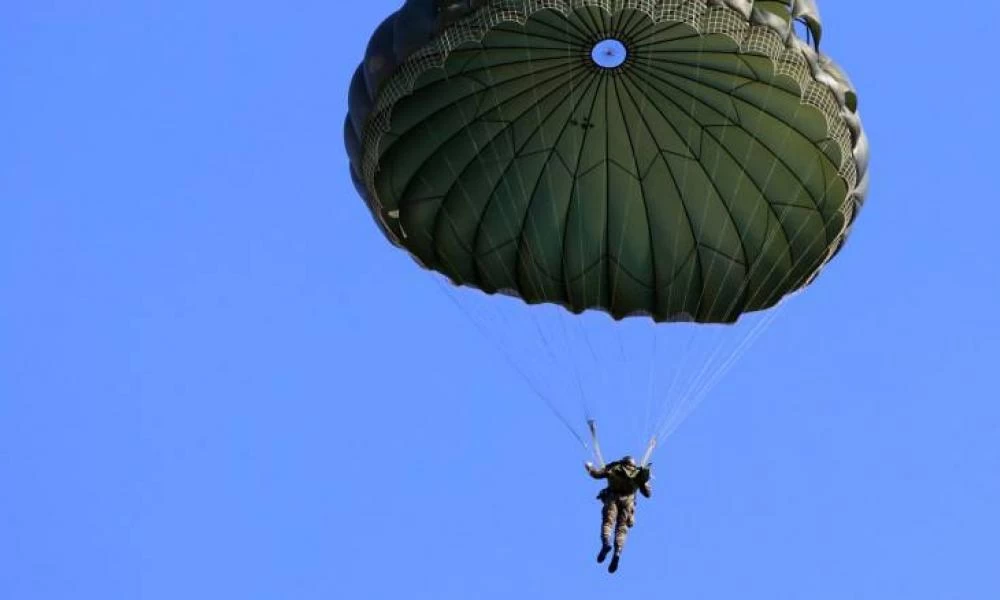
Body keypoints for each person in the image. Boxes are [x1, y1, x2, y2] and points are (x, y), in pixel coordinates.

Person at [585, 456, 652, 573]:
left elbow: (596, 474)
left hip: (612, 499)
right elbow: (648, 494)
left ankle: (606, 543)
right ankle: (617, 552)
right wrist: (643, 481)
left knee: (608, 523)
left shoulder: (614, 468)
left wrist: (589, 467)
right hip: (628, 504)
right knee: (622, 529)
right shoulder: (637, 474)